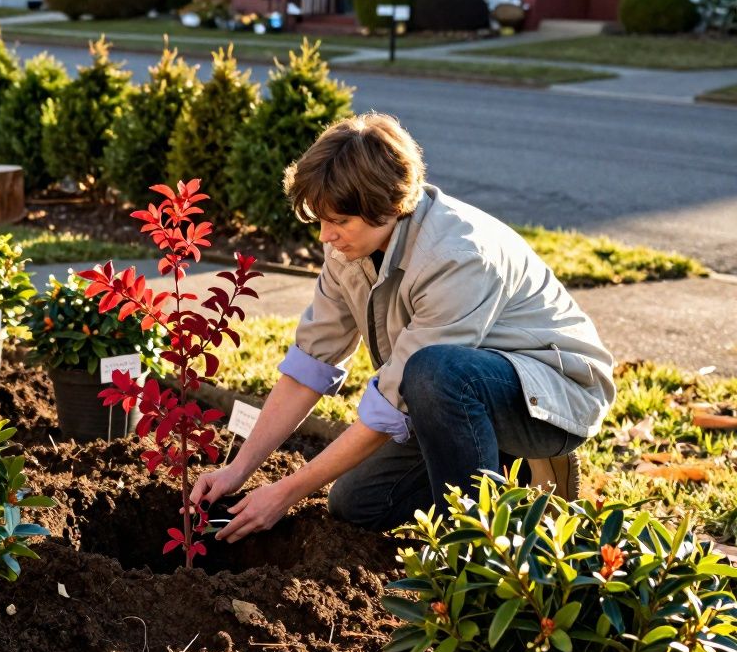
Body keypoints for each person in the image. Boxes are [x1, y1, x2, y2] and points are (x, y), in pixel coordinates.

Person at [190, 113, 615, 542]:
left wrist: (284, 493)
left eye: (339, 221)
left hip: (551, 395)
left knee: (435, 373)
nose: (325, 236)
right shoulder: (348, 252)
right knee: (355, 503)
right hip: (446, 394)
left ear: (388, 205)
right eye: (320, 219)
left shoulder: (457, 256)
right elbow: (310, 365)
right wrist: (237, 469)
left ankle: (476, 552)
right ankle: (500, 462)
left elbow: (394, 401)